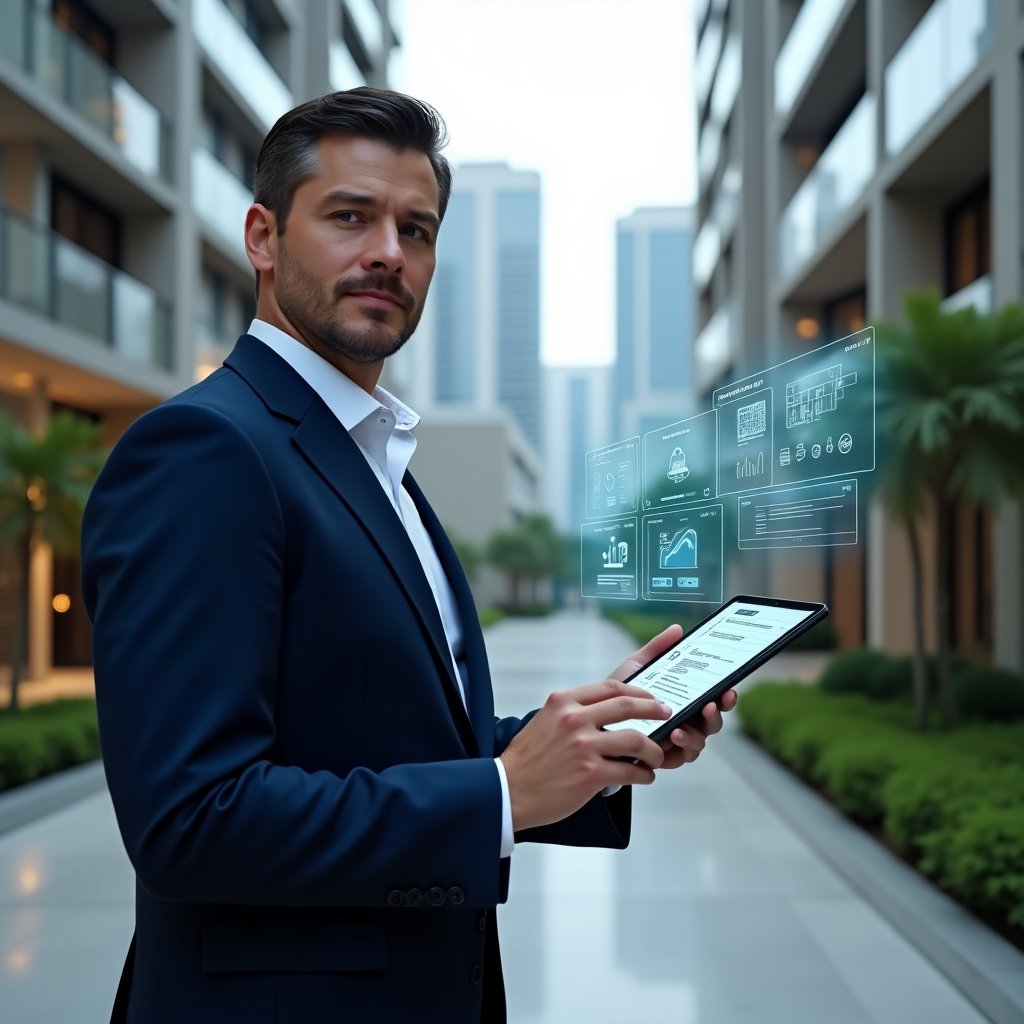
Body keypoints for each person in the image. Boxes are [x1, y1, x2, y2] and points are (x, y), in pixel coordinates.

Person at [82, 88, 737, 1024]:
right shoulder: (206, 452)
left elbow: (391, 736)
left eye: (417, 229)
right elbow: (191, 819)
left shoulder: (372, 459)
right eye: (350, 216)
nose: (390, 251)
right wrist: (503, 792)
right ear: (262, 237)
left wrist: (591, 742)